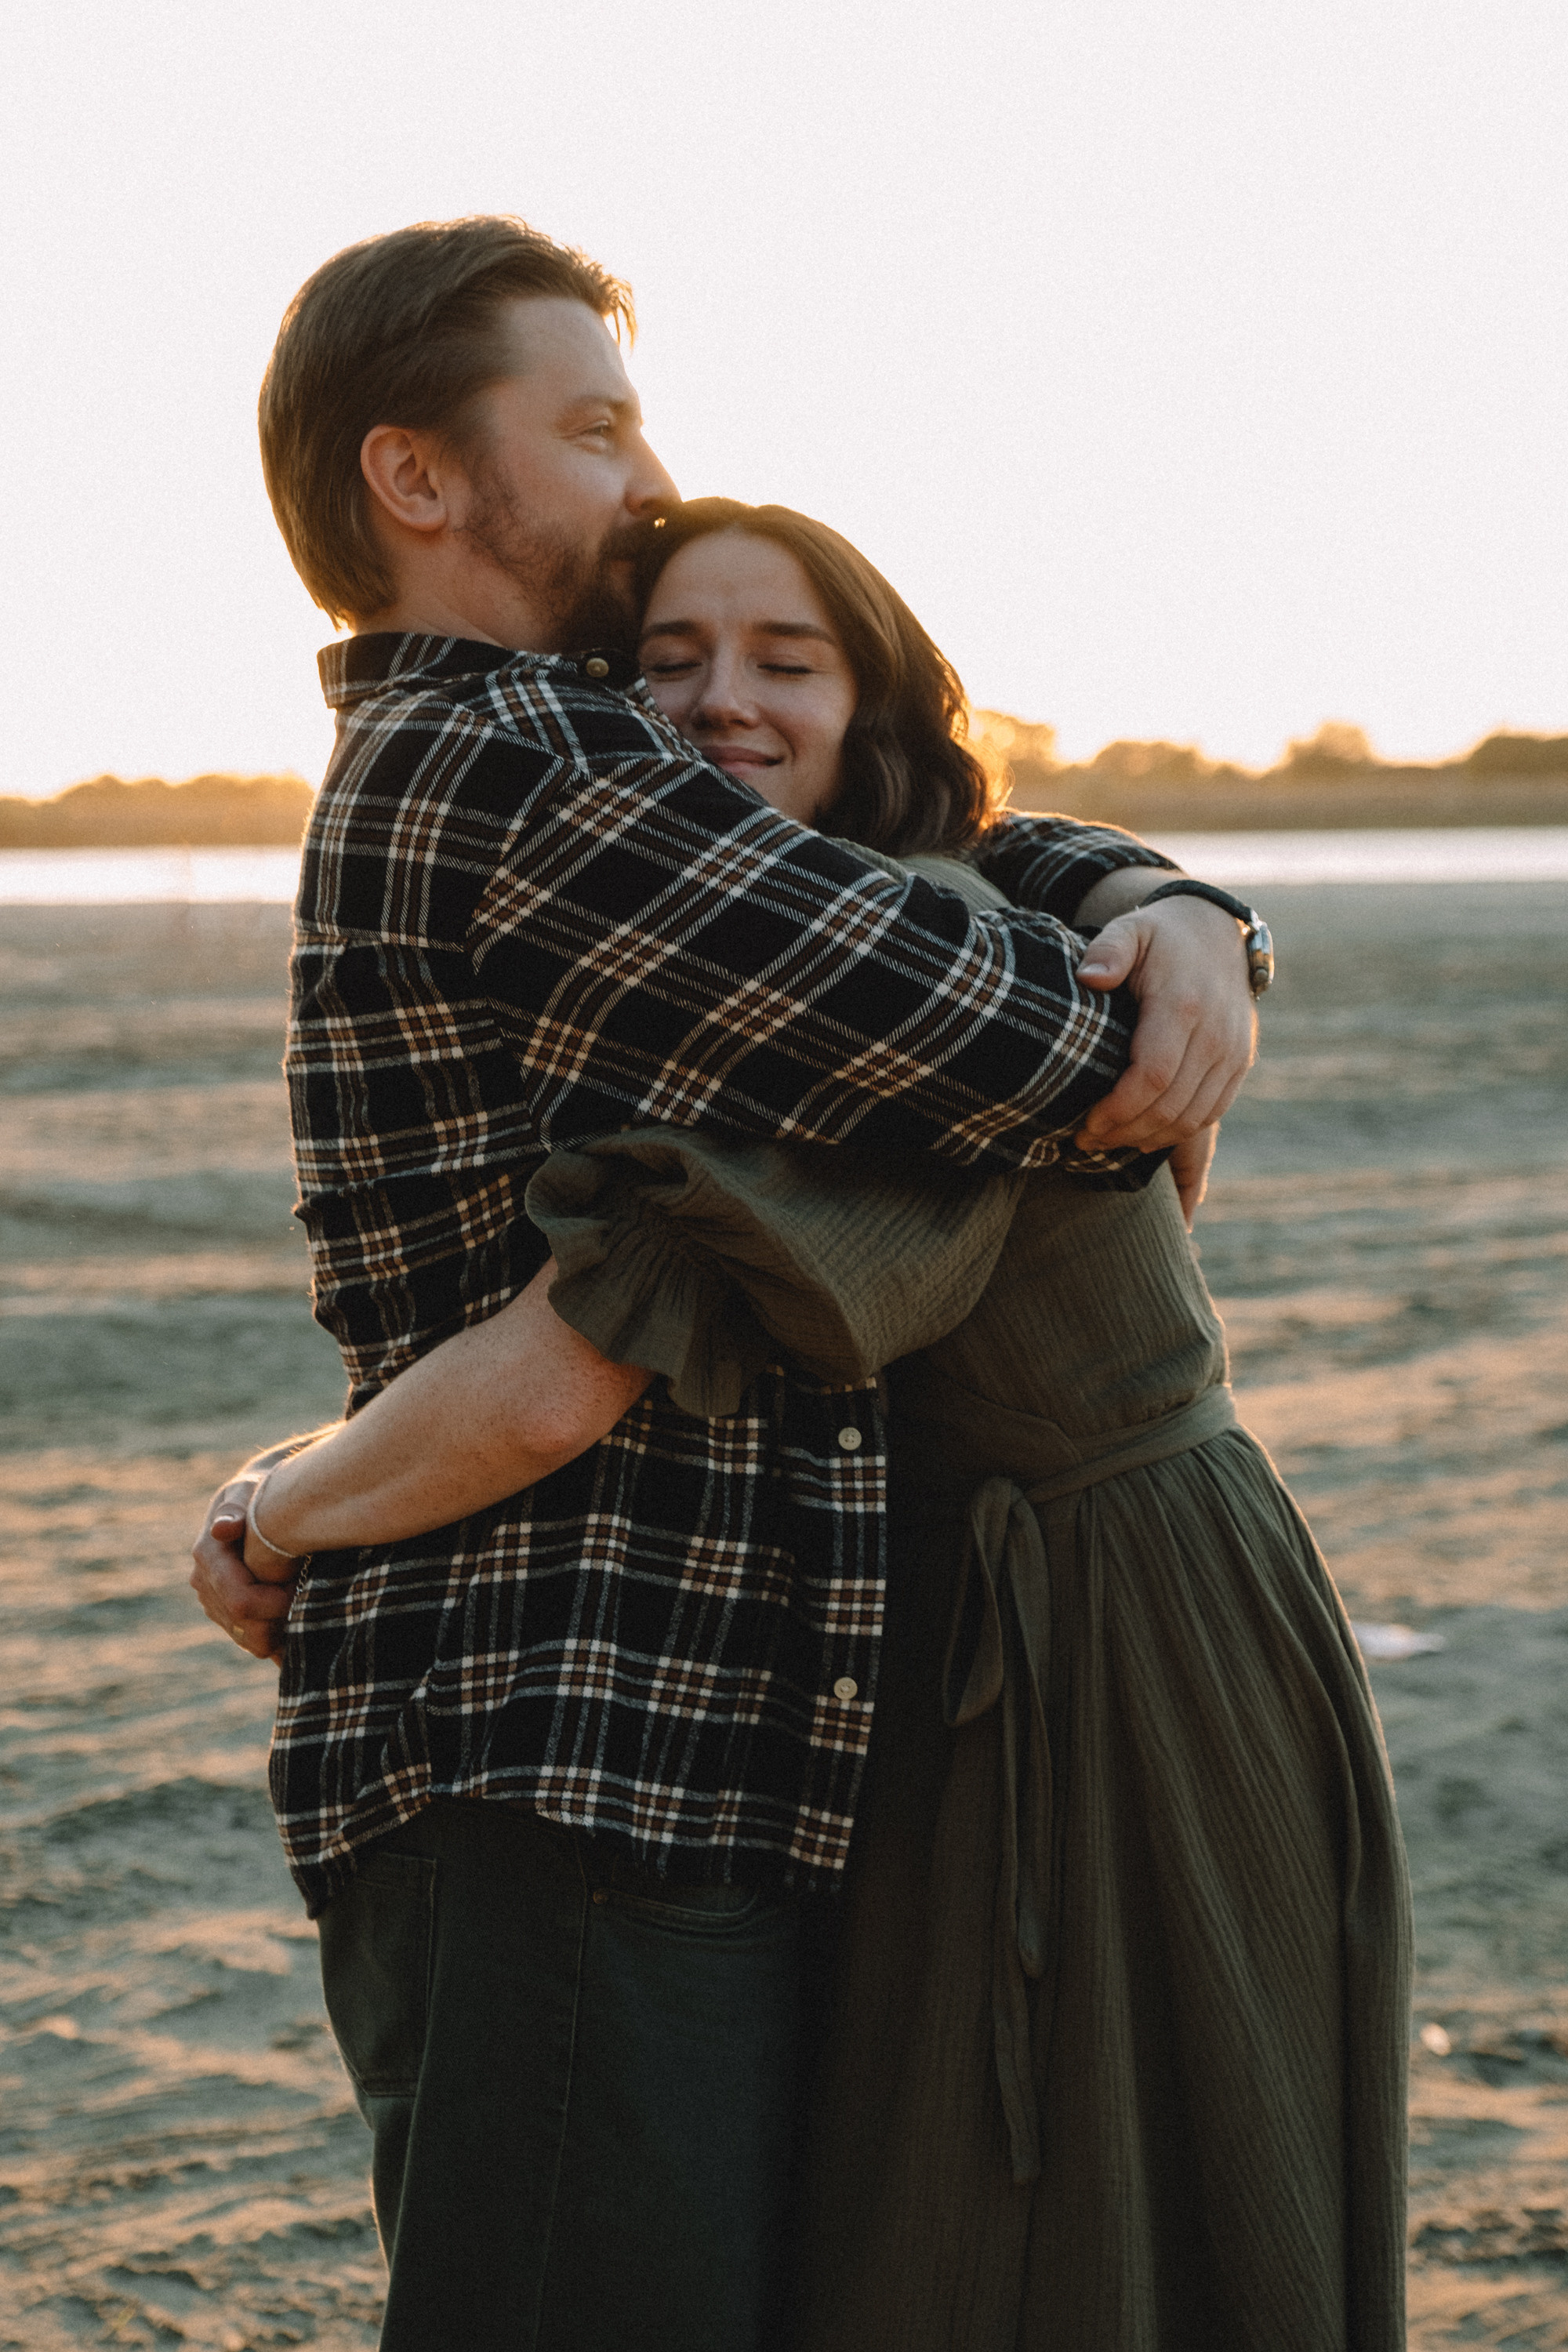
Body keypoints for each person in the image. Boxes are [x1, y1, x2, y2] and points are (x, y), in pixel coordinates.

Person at [189, 216, 1261, 2352]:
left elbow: (889, 818)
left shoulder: (573, 745)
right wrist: (1143, 949)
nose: (648, 473)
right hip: (555, 1750)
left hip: (653, 1754)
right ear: (418, 480)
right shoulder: (510, 767)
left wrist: (1164, 887)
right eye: (590, 426)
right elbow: (1021, 1036)